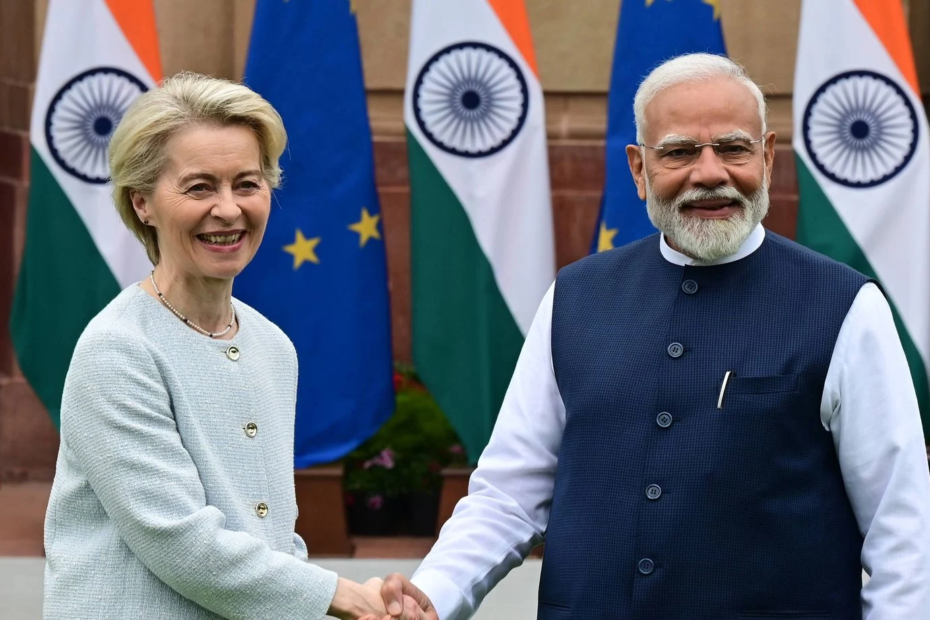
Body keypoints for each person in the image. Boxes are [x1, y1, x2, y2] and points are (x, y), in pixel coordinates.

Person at [370, 54, 930, 619]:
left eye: (733, 148)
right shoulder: (575, 296)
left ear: (768, 156)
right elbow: (508, 495)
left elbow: (902, 530)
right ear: (638, 169)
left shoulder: (845, 305)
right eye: (680, 152)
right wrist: (432, 598)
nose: (709, 172)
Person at [43, 72, 386, 620]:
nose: (228, 210)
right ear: (143, 205)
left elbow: (272, 535)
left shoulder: (273, 345)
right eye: (200, 187)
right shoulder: (117, 349)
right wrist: (339, 596)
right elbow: (180, 543)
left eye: (246, 183)